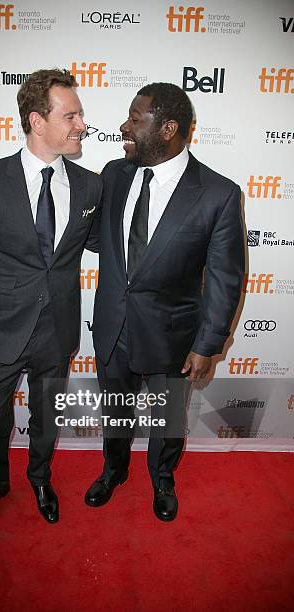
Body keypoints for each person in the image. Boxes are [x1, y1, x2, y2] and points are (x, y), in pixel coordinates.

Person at [0, 68, 102, 533]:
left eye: (80, 115)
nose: (81, 125)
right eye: (71, 115)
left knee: (46, 413)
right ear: (37, 121)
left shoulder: (91, 185)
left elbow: (99, 243)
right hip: (1, 324)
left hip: (59, 326)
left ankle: (39, 479)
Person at [85, 82, 245, 521]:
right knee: (115, 411)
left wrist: (207, 345)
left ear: (169, 128)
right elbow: (100, 240)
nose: (125, 126)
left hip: (175, 336)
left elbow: (226, 279)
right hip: (114, 326)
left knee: (169, 421)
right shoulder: (114, 175)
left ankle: (162, 478)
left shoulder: (218, 194)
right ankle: (113, 470)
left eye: (136, 119)